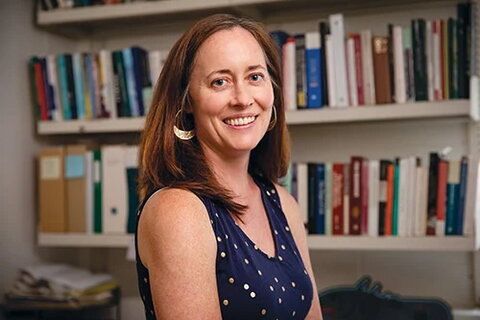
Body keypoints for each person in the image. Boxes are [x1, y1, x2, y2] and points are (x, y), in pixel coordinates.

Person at [135, 13, 323, 320]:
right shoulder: (178, 211)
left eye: (254, 77)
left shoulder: (281, 202)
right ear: (186, 101)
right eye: (220, 82)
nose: (242, 99)